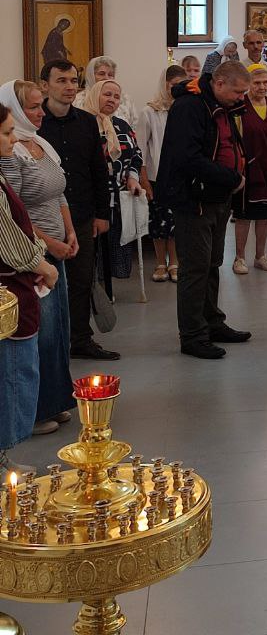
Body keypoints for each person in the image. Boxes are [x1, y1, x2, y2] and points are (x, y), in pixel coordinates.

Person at [156, 60, 254, 359]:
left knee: (211, 265)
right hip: (194, 198)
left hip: (216, 197)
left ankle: (212, 323)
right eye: (238, 91)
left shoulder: (219, 104)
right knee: (195, 270)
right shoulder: (190, 107)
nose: (242, 98)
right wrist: (232, 177)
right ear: (219, 83)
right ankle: (193, 336)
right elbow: (188, 158)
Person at [0, 82, 75, 436]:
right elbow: (16, 214)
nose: (41, 112)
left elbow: (59, 192)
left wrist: (69, 231)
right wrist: (46, 249)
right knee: (37, 335)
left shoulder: (39, 143)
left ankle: (58, 399)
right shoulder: (10, 155)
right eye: (32, 107)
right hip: (35, 255)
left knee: (59, 330)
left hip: (54, 247)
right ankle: (38, 409)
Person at [38, 59, 114, 361]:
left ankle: (81, 339)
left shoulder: (85, 121)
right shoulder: (34, 120)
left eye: (73, 81)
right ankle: (50, 344)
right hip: (44, 218)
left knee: (82, 280)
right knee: (46, 283)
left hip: (81, 214)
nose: (69, 87)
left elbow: (98, 170)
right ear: (45, 85)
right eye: (61, 81)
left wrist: (102, 213)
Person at [80, 79, 147, 292]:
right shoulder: (82, 123)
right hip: (91, 199)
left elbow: (136, 155)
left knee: (114, 245)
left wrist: (133, 177)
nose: (112, 100)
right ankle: (91, 290)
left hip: (118, 199)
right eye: (107, 94)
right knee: (91, 248)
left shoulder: (122, 125)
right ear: (95, 94)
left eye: (116, 96)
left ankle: (107, 289)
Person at [231, 64, 267, 275]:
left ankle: (260, 256)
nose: (262, 86)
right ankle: (239, 258)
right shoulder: (240, 106)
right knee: (244, 215)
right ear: (248, 85)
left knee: (264, 215)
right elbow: (235, 139)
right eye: (257, 83)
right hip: (248, 168)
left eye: (265, 82)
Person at [136, 65, 187, 282]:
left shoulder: (186, 109)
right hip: (156, 177)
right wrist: (144, 180)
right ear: (164, 84)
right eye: (173, 85)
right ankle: (160, 262)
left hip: (179, 176)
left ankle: (174, 262)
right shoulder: (150, 112)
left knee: (176, 222)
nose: (176, 89)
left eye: (181, 85)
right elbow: (141, 149)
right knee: (158, 223)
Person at [74, 56, 137, 129]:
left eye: (110, 75)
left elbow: (134, 127)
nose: (106, 78)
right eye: (101, 74)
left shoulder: (125, 100)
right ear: (91, 76)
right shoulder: (78, 100)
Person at [241, 29, 267, 100]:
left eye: (258, 42)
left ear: (263, 44)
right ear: (244, 45)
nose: (255, 46)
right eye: (251, 43)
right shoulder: (239, 69)